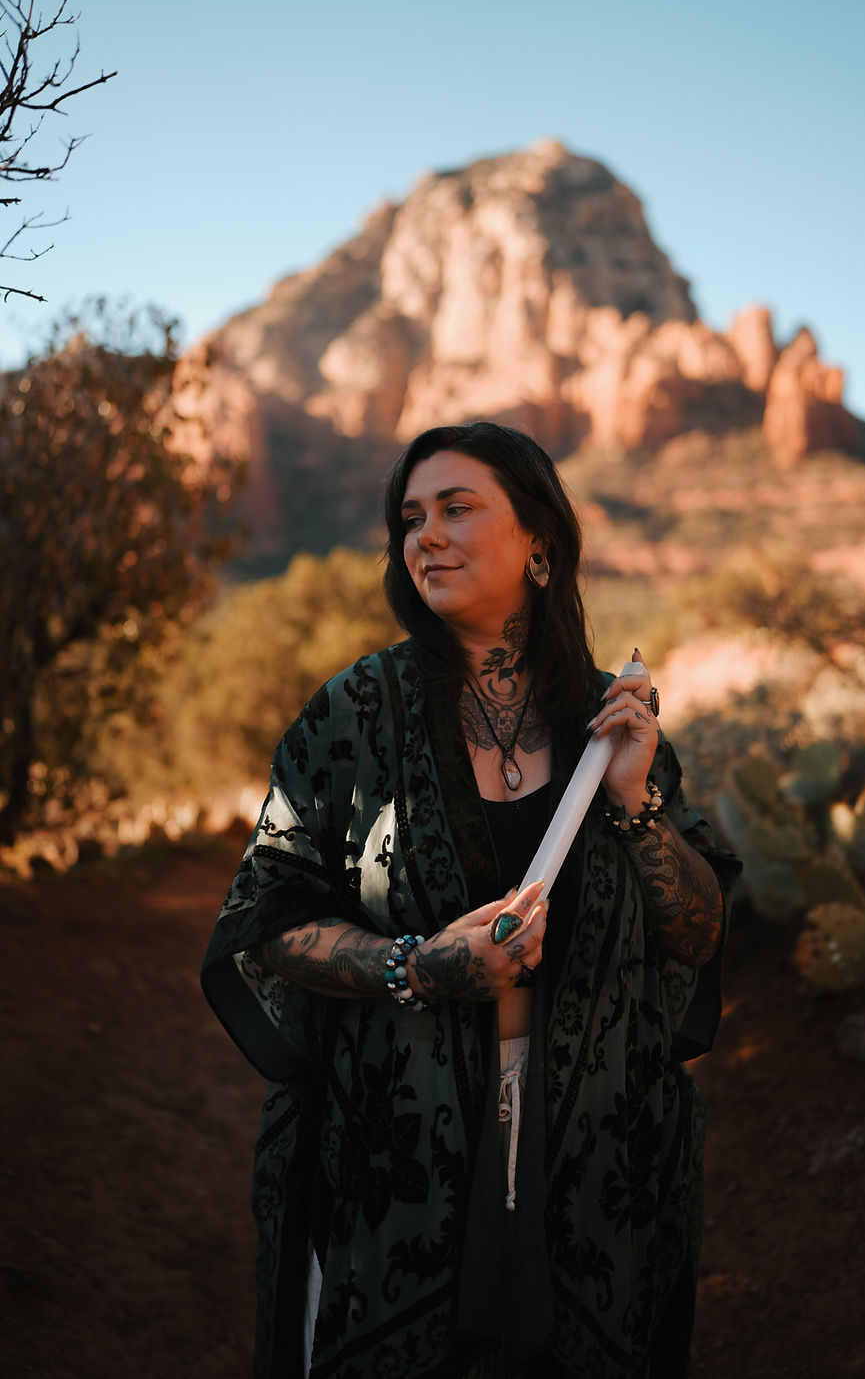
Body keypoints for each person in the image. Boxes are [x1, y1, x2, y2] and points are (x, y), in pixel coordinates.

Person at [201, 421, 740, 1379]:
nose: (426, 537)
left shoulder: (612, 722)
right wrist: (416, 964)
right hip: (397, 1153)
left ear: (540, 541)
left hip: (593, 1151)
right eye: (410, 518)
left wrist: (636, 805)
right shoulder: (354, 714)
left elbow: (697, 930)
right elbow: (271, 918)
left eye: (457, 508)